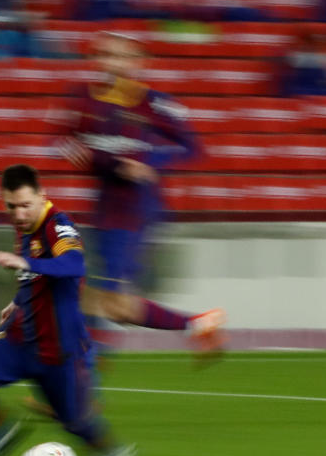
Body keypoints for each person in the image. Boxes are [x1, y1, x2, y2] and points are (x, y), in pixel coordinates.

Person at [0, 164, 134, 456]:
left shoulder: (58, 225)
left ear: (41, 196)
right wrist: (18, 301)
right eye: (11, 206)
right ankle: (0, 435)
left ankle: (109, 455)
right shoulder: (25, 227)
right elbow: (34, 280)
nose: (18, 214)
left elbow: (73, 265)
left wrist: (26, 263)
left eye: (24, 205)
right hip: (21, 338)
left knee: (74, 421)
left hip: (58, 350)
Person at [56, 32, 226, 361]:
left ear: (137, 64)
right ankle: (199, 323)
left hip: (134, 212)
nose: (112, 63)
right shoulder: (86, 100)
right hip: (102, 209)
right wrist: (79, 151)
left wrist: (148, 162)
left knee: (98, 299)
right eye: (106, 55)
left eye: (121, 57)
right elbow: (61, 140)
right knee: (110, 304)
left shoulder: (154, 103)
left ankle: (78, 381)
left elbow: (192, 148)